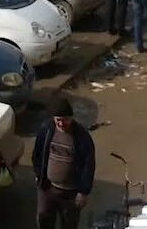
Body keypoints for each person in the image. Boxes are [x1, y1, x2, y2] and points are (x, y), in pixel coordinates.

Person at [33, 97, 96, 229]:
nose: (61, 124)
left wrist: (83, 192)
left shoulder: (81, 137)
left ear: (71, 117)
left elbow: (88, 165)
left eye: (65, 120)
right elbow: (38, 153)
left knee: (69, 224)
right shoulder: (47, 129)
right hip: (47, 188)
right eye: (58, 120)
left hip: (70, 194)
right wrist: (39, 174)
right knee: (44, 220)